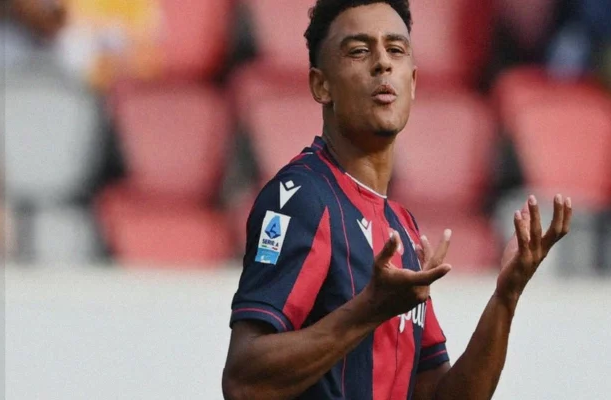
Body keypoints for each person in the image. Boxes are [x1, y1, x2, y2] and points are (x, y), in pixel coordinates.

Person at [221, 1, 573, 399]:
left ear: (414, 82)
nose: (383, 64)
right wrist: (369, 309)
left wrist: (505, 298)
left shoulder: (401, 226)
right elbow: (243, 382)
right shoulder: (302, 198)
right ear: (321, 85)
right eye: (359, 51)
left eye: (396, 50)